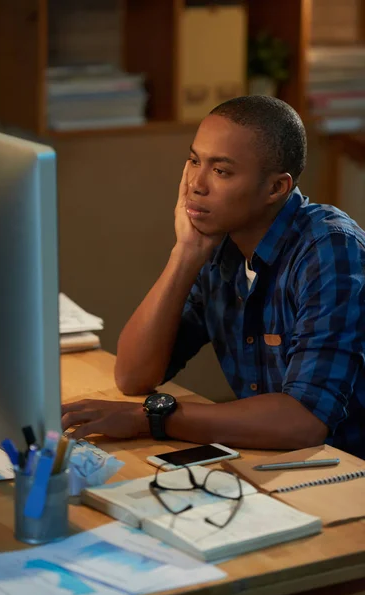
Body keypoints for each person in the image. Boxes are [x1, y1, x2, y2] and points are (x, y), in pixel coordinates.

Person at [62, 96, 365, 458]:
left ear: (275, 188)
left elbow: (303, 421)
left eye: (221, 171)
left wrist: (152, 419)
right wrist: (184, 255)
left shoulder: (330, 249)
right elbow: (133, 376)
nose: (195, 184)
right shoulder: (218, 242)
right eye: (193, 161)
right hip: (273, 459)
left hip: (343, 473)